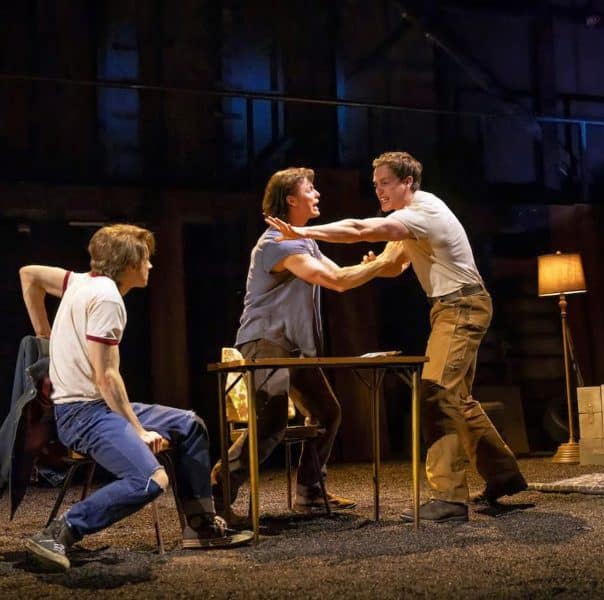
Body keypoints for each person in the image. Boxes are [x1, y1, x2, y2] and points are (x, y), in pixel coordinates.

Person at [267, 151, 528, 523]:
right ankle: (503, 476)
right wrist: (369, 266)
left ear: (408, 182)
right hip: (451, 307)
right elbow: (392, 265)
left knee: (436, 392)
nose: (379, 191)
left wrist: (304, 231)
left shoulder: (422, 212)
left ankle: (450, 499)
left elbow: (360, 229)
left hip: (461, 306)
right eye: (375, 185)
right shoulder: (406, 220)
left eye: (385, 183)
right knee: (457, 397)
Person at [19, 224, 252, 571]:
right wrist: (138, 430)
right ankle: (58, 532)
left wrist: (44, 336)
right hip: (83, 415)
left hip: (94, 406)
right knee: (150, 479)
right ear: (128, 263)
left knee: (189, 425)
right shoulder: (109, 298)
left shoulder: (79, 281)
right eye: (145, 258)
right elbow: (106, 376)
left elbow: (29, 275)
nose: (151, 266)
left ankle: (200, 526)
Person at [212, 167, 404, 517]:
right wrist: (380, 265)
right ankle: (220, 486)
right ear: (291, 199)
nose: (317, 194)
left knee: (327, 412)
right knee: (271, 425)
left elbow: (343, 276)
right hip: (266, 342)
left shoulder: (305, 241)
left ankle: (310, 491)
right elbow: (335, 281)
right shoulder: (277, 243)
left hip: (294, 346)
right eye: (310, 189)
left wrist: (380, 265)